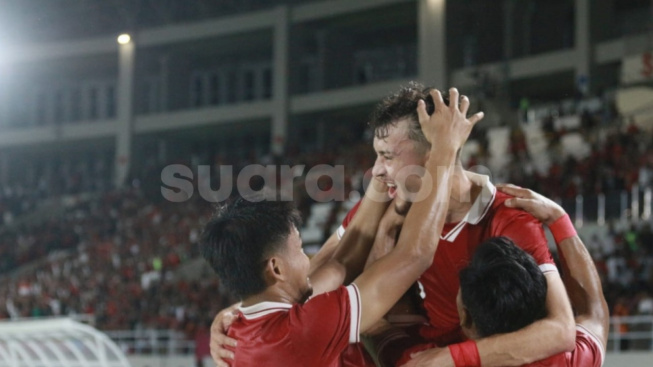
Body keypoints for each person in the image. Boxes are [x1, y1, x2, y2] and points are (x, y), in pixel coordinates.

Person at [211, 84, 575, 366]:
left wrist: (447, 360)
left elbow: (560, 331)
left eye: (386, 155)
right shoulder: (388, 205)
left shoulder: (509, 216)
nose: (376, 170)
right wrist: (244, 308)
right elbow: (316, 277)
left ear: (433, 153)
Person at [403, 185, 608, 366]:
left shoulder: (427, 359)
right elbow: (594, 312)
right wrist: (558, 218)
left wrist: (385, 228)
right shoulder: (572, 360)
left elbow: (382, 331)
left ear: (465, 316)